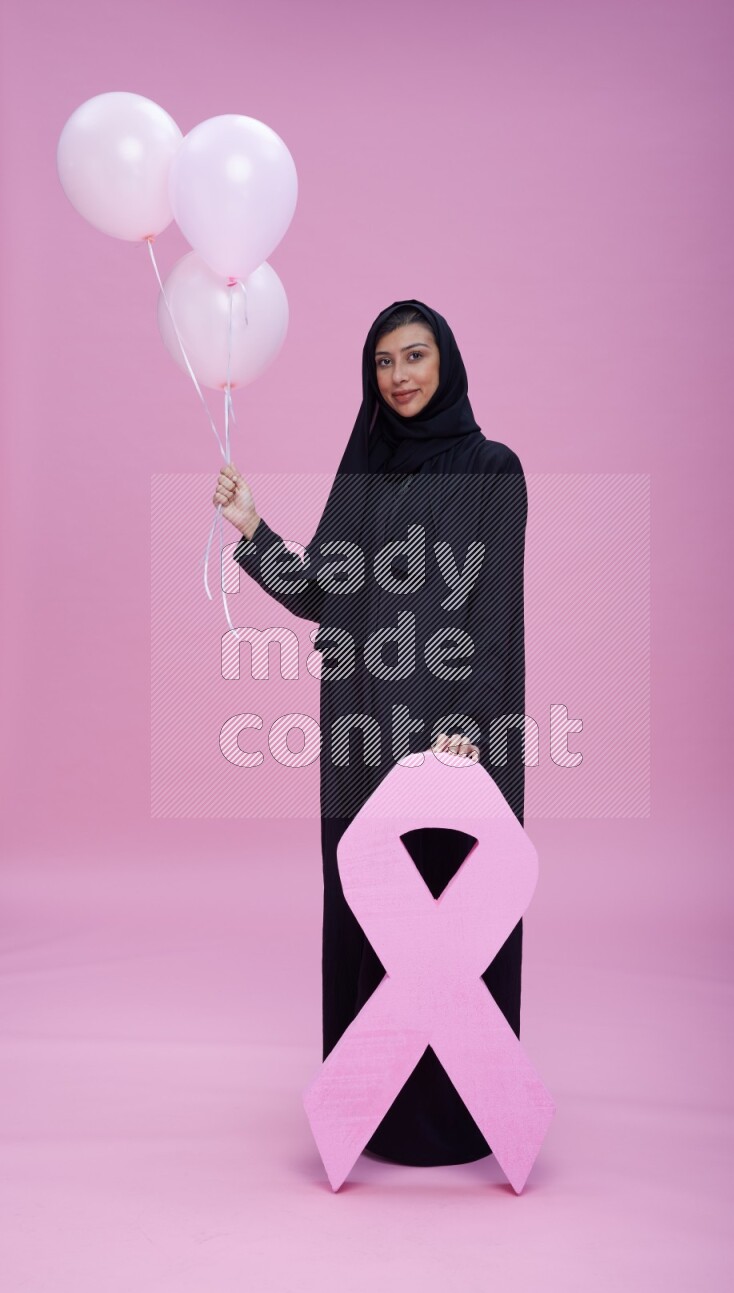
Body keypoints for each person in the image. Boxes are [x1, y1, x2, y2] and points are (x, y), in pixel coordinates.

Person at [213, 299, 528, 1166]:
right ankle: (373, 1115)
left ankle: (463, 1118)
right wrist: (254, 531)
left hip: (455, 740)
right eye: (384, 362)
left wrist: (467, 724)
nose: (399, 376)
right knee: (373, 924)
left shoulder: (493, 471)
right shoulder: (366, 474)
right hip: (363, 734)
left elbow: (494, 609)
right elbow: (326, 594)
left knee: (451, 924)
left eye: (415, 356)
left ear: (446, 361)